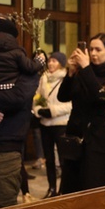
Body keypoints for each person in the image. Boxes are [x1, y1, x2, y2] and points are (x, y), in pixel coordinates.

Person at [58, 33, 105, 193]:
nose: (93, 53)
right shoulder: (82, 72)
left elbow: (101, 98)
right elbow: (62, 96)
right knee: (70, 188)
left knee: (92, 188)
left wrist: (85, 68)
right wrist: (70, 73)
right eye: (91, 49)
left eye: (98, 49)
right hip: (76, 138)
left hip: (99, 141)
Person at [0, 17, 45, 207]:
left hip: (6, 148)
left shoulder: (25, 72)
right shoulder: (18, 57)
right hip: (8, 143)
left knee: (4, 208)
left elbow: (18, 98)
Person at [33, 52, 71, 197]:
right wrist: (38, 110)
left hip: (61, 123)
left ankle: (63, 189)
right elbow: (37, 97)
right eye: (49, 61)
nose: (50, 64)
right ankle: (52, 189)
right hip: (45, 124)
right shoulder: (44, 78)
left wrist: (52, 111)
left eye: (54, 61)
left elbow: (71, 105)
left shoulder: (66, 78)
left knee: (63, 159)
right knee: (49, 159)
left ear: (61, 63)